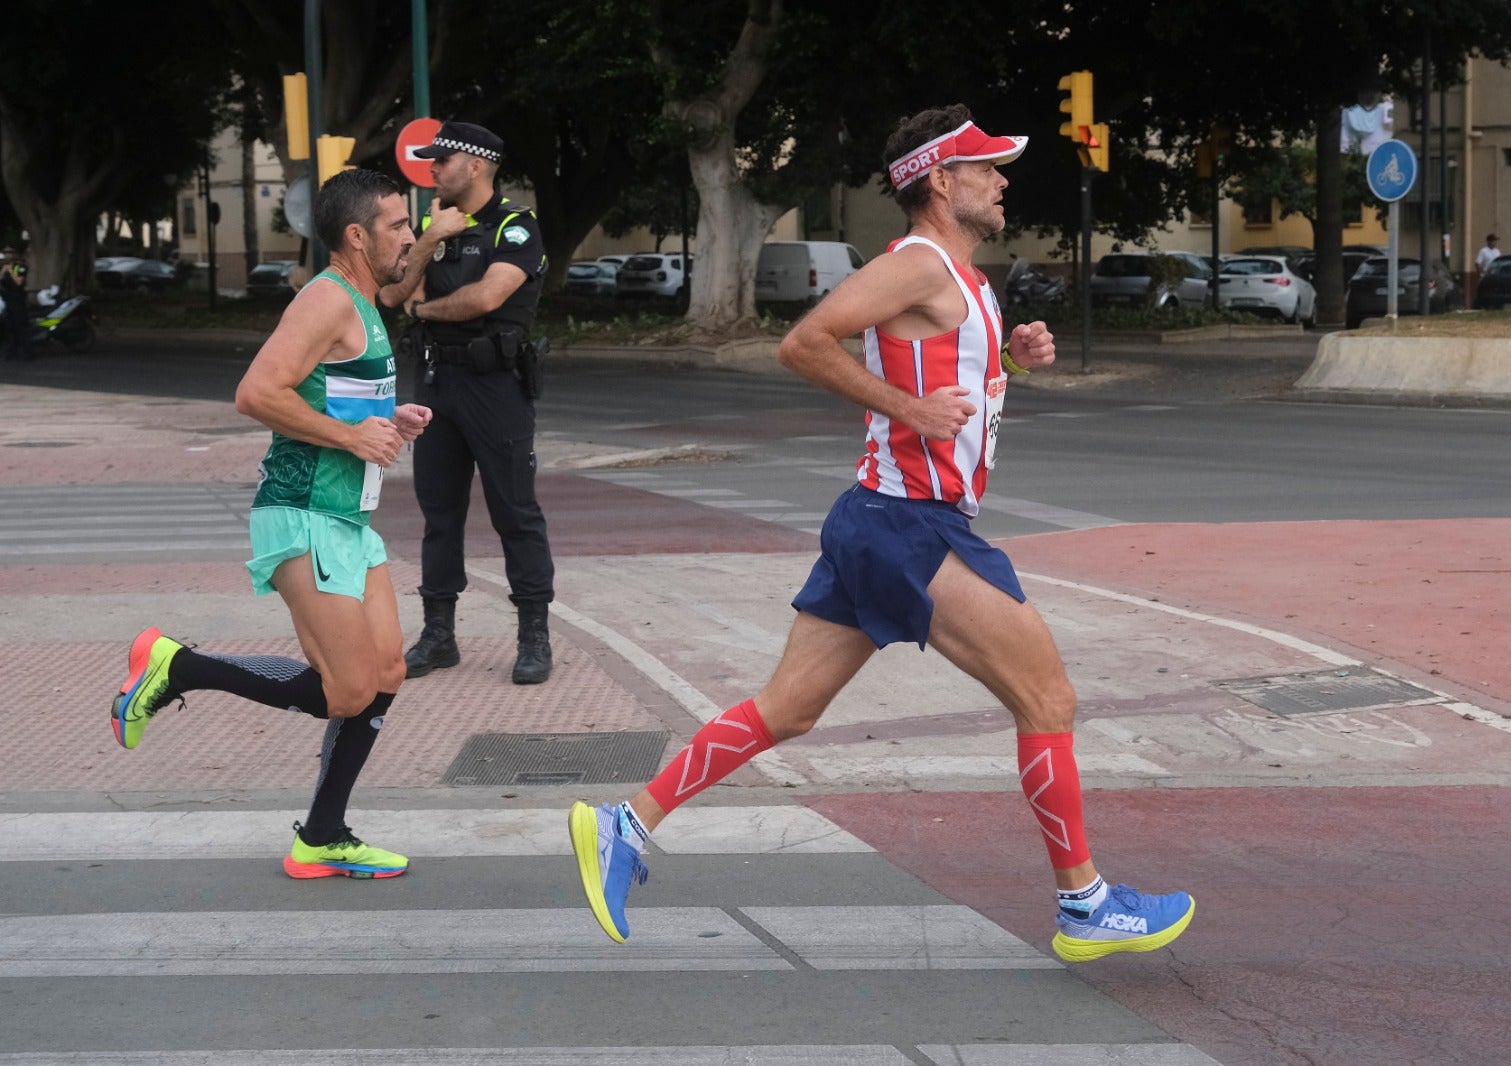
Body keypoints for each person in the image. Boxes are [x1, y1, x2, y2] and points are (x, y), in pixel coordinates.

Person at [567, 104, 1195, 965]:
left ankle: (625, 824)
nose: (1003, 180)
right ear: (941, 181)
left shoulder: (964, 280)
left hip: (877, 519)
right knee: (1047, 700)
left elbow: (946, 382)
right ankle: (1084, 904)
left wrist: (1010, 361)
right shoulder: (918, 265)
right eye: (987, 168)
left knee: (787, 708)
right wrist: (909, 409)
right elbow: (803, 342)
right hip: (910, 526)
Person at [112, 169, 432, 879]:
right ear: (357, 235)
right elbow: (256, 392)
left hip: (349, 517)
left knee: (386, 671)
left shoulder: (367, 300)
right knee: (345, 690)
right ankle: (179, 664)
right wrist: (351, 440)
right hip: (303, 512)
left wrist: (387, 420)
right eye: (398, 224)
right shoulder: (325, 298)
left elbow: (334, 395)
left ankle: (322, 834)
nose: (410, 234)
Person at [378, 120, 555, 686]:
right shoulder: (431, 224)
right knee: (439, 513)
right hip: (435, 382)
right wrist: (427, 242)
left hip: (495, 385)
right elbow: (390, 293)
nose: (431, 170)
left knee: (515, 514)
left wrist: (425, 309)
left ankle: (533, 635)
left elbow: (486, 297)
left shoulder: (516, 227)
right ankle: (438, 635)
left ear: (474, 165)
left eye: (441, 161)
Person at [1, 251, 35, 361]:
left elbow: (19, 282)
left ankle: (28, 353)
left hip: (18, 302)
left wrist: (10, 271)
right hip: (9, 302)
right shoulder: (6, 268)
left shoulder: (21, 267)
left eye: (9, 254)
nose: (7, 256)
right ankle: (12, 351)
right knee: (10, 327)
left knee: (21, 328)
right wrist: (3, 271)